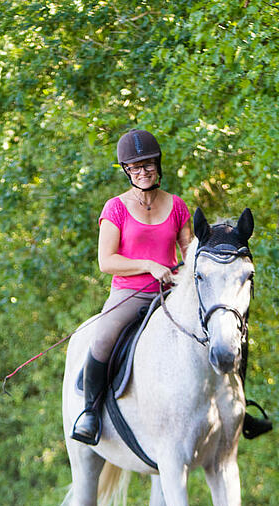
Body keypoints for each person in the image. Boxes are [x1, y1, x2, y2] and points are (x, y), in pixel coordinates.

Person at [70, 128, 193, 445]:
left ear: (158, 165)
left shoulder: (177, 206)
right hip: (129, 293)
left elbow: (188, 254)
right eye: (135, 168)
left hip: (170, 293)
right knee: (103, 337)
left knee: (215, 329)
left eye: (148, 165)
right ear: (126, 171)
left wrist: (184, 274)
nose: (142, 172)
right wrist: (149, 265)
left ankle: (236, 408)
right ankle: (90, 413)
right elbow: (106, 261)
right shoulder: (115, 208)